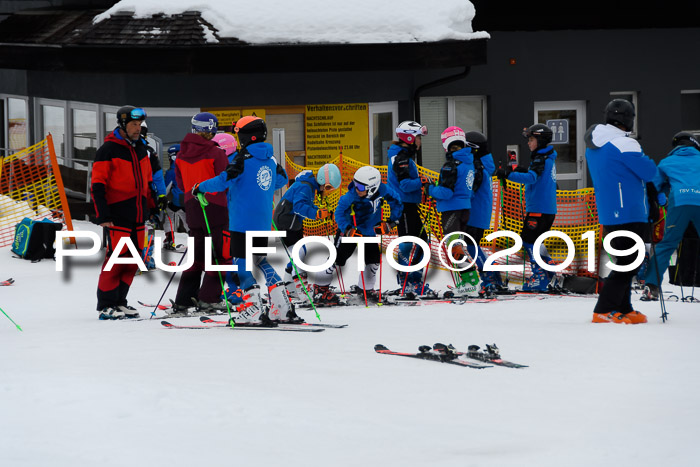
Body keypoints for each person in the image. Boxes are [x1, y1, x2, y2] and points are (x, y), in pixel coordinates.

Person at [196, 116, 289, 325]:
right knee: (259, 260)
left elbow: (223, 181)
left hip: (242, 221)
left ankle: (253, 308)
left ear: (247, 136)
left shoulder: (242, 158)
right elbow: (282, 179)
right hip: (263, 222)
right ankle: (281, 305)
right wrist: (259, 190)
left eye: (239, 135)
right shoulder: (271, 159)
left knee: (241, 262)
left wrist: (200, 187)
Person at [585, 98, 657, 324]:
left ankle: (623, 307)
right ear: (629, 119)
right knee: (629, 264)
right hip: (629, 211)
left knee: (626, 261)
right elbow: (650, 172)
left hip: (611, 211)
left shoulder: (595, 144)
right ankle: (604, 309)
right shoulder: (625, 143)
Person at [91, 106, 151, 320]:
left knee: (133, 261)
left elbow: (147, 182)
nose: (138, 128)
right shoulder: (108, 149)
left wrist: (151, 207)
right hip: (117, 213)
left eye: (139, 124)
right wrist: (103, 215)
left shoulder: (141, 148)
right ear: (123, 125)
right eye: (134, 124)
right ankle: (106, 304)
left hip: (138, 214)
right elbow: (97, 185)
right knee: (116, 259)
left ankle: (120, 301)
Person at [313, 166, 403, 304]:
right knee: (337, 259)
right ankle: (320, 288)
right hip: (350, 232)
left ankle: (365, 289)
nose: (356, 189)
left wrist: (390, 223)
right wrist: (347, 229)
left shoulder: (383, 190)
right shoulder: (351, 196)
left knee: (373, 262)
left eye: (361, 187)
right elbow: (339, 213)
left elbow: (396, 202)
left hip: (369, 233)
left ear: (373, 187)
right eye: (356, 184)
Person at [172, 112, 230, 313]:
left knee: (196, 257)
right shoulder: (216, 153)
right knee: (220, 256)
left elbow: (180, 184)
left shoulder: (181, 154)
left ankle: (184, 299)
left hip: (193, 208)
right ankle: (209, 298)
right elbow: (225, 181)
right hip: (216, 208)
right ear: (212, 130)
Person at [496, 124, 558, 292]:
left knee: (528, 240)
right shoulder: (547, 157)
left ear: (541, 140)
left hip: (538, 207)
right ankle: (549, 271)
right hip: (547, 208)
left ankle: (539, 276)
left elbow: (531, 178)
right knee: (535, 241)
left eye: (531, 139)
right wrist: (522, 171)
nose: (529, 143)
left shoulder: (541, 158)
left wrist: (508, 175)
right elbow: (539, 176)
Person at [272, 163, 341, 303]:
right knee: (300, 252)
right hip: (286, 221)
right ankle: (300, 287)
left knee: (296, 254)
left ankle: (289, 288)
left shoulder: (310, 187)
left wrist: (325, 214)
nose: (328, 191)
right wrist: (316, 213)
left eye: (331, 189)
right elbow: (299, 206)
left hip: (293, 222)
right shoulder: (305, 186)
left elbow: (307, 205)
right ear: (321, 180)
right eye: (328, 187)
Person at [643, 132, 700, 300]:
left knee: (667, 244)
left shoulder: (667, 162)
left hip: (680, 200)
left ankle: (651, 286)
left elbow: (654, 186)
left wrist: (658, 202)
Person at [428, 126, 479, 297]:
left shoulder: (451, 165)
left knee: (455, 247)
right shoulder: (469, 162)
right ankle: (469, 282)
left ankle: (471, 282)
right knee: (459, 245)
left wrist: (430, 189)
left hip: (451, 210)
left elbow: (446, 192)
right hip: (464, 208)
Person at [387, 120, 433, 295]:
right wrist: (422, 181)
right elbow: (405, 185)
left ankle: (414, 279)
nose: (420, 141)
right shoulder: (401, 157)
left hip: (408, 204)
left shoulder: (403, 154)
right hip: (403, 206)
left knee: (422, 241)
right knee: (407, 243)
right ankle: (407, 282)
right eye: (418, 137)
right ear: (409, 137)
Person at [462, 131, 509, 295]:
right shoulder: (484, 163)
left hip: (475, 212)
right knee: (472, 245)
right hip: (480, 212)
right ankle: (492, 277)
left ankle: (489, 277)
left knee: (471, 246)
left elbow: (471, 189)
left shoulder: (476, 165)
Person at [163, 144, 188, 250]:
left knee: (169, 215)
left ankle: (170, 239)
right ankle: (196, 239)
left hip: (178, 200)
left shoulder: (172, 171)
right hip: (189, 199)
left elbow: (166, 188)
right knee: (188, 221)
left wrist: (161, 198)